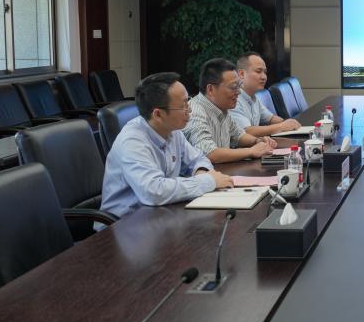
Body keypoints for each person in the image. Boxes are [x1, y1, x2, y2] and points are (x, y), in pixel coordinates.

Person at [101, 72, 232, 220]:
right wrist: (208, 181)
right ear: (158, 114)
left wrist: (202, 172)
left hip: (161, 213)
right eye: (183, 106)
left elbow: (197, 158)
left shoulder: (172, 129)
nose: (189, 110)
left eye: (188, 101)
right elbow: (154, 192)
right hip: (125, 223)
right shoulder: (132, 141)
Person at [184, 58, 272, 164]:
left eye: (239, 86)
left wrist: (258, 141)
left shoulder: (222, 107)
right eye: (233, 87)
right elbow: (209, 153)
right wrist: (251, 151)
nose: (239, 92)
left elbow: (238, 135)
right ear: (210, 89)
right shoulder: (195, 112)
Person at [232, 51, 301, 137]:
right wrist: (282, 126)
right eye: (258, 71)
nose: (264, 77)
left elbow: (271, 118)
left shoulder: (253, 97)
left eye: (265, 72)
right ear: (241, 74)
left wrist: (288, 123)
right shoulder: (233, 99)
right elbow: (246, 131)